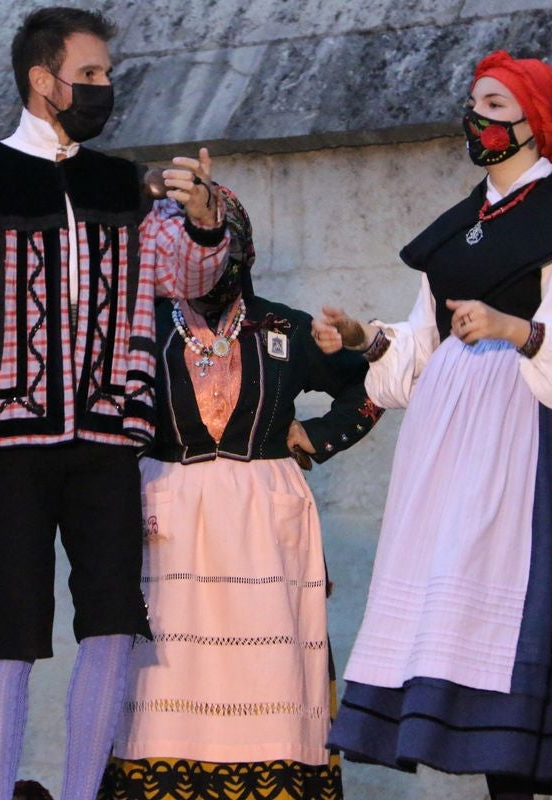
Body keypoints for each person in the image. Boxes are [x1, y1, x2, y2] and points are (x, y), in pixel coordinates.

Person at [0, 8, 237, 800]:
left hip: (108, 431)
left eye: (105, 74)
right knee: (13, 619)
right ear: (44, 81)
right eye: (91, 74)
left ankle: (80, 792)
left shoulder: (123, 183)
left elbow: (189, 278)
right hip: (6, 433)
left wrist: (207, 220)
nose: (105, 86)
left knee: (113, 618)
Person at [312, 51, 552, 799]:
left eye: (497, 107)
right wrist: (365, 337)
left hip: (533, 438)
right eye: (477, 105)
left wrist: (512, 328)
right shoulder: (459, 227)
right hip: (453, 449)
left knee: (525, 635)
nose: (481, 120)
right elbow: (417, 354)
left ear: (536, 123)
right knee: (459, 630)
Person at [98, 190, 380, 800]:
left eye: (215, 236)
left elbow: (370, 386)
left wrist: (317, 437)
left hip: (266, 530)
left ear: (239, 245)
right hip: (169, 528)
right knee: (163, 684)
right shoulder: (139, 330)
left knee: (271, 680)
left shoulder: (286, 326)